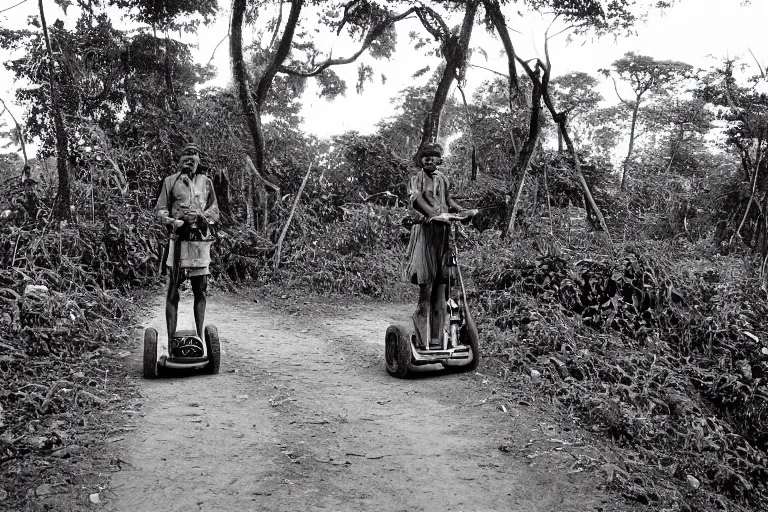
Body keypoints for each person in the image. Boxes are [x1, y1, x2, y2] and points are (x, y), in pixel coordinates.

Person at [403, 142, 477, 348]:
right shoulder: (416, 179)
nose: (428, 160)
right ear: (421, 160)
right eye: (425, 156)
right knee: (426, 285)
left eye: (433, 156)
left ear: (439, 160)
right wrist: (435, 214)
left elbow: (449, 201)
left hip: (444, 235)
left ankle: (437, 340)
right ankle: (422, 340)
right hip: (426, 235)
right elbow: (416, 200)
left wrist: (463, 212)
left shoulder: (443, 179)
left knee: (443, 287)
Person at [155, 142, 220, 341]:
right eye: (186, 155)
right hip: (178, 239)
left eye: (194, 155)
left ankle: (200, 336)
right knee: (173, 290)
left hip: (199, 242)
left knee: (200, 289)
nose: (190, 159)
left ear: (198, 161)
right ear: (180, 159)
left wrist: (202, 217)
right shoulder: (170, 181)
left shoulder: (206, 182)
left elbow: (215, 211)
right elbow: (160, 209)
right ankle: (171, 339)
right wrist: (173, 221)